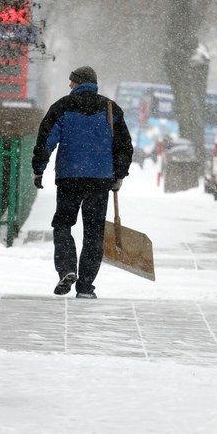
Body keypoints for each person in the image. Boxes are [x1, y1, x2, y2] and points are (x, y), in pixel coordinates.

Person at [32, 66, 133, 299]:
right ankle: (86, 286)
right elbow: (124, 146)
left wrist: (39, 169)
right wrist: (119, 175)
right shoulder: (110, 108)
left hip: (70, 178)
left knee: (63, 224)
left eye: (72, 82)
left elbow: (46, 140)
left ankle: (67, 268)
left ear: (78, 83)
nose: (69, 86)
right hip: (100, 181)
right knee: (94, 232)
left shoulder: (62, 107)